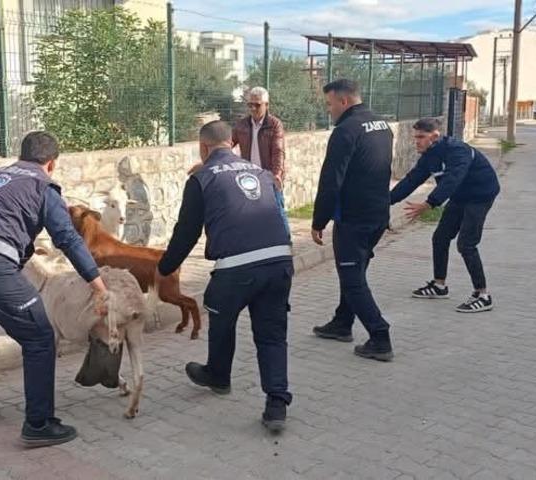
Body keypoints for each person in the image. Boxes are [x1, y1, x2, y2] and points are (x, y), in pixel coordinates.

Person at [0, 131, 109, 446]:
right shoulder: (44, 186)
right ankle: (38, 424)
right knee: (40, 337)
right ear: (52, 164)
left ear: (21, 155)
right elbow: (68, 239)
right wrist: (97, 284)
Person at [157, 120, 294, 433]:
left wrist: (164, 268)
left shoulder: (202, 178)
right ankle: (276, 403)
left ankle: (218, 376)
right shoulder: (263, 174)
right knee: (272, 334)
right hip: (279, 261)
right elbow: (280, 215)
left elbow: (186, 232)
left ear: (203, 147)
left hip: (236, 268)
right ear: (233, 143)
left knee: (220, 316)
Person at [310, 79, 395, 362]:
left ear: (343, 101)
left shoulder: (345, 130)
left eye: (329, 103)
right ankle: (342, 322)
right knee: (354, 273)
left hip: (354, 219)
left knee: (353, 278)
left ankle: (380, 336)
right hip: (378, 214)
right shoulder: (382, 125)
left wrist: (319, 220)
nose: (329, 110)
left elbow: (331, 180)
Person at [389, 117, 500, 313]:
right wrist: (384, 202)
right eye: (415, 137)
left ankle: (483, 295)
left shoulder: (458, 151)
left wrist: (429, 203)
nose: (417, 141)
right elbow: (411, 180)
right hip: (460, 197)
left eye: (421, 137)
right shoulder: (429, 156)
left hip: (480, 196)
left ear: (435, 137)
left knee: (466, 244)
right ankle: (439, 286)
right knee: (440, 238)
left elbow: (452, 179)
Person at [231, 87, 289, 234]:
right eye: (250, 104)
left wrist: (277, 174)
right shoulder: (242, 125)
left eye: (257, 105)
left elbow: (278, 151)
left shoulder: (275, 124)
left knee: (277, 211)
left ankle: (286, 243)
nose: (253, 108)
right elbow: (228, 144)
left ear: (266, 105)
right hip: (248, 178)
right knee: (250, 213)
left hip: (269, 177)